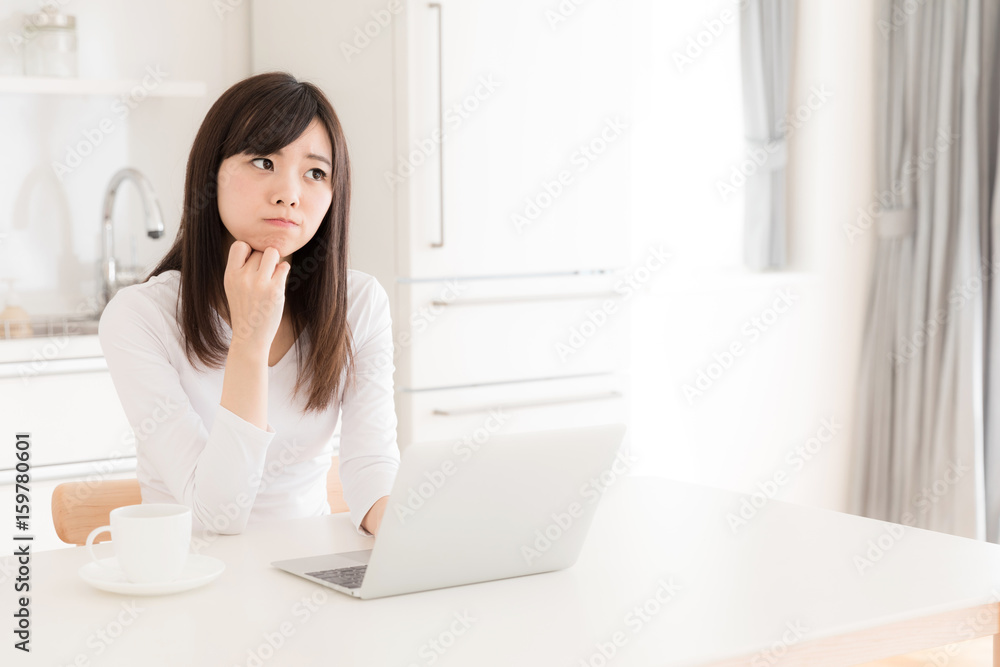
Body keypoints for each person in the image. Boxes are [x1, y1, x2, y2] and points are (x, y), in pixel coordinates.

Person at [98, 71, 399, 538]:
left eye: (315, 172)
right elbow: (216, 518)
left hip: (312, 573)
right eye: (264, 161)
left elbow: (370, 467)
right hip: (195, 579)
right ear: (210, 174)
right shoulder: (140, 317)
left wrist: (415, 535)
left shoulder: (358, 302)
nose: (290, 193)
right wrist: (249, 342)